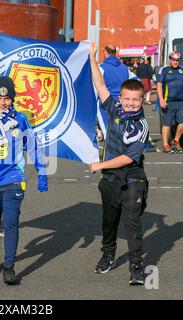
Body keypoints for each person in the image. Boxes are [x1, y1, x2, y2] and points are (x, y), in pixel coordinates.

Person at [0, 76, 48, 285]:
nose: (2, 103)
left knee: (11, 222)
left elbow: (33, 146)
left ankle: (10, 267)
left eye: (6, 99)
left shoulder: (21, 120)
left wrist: (42, 172)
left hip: (14, 179)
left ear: (12, 99)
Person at [89, 42, 149, 285]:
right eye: (127, 98)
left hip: (132, 179)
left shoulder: (141, 125)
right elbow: (100, 84)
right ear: (121, 98)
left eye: (136, 99)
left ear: (143, 100)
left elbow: (128, 157)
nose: (131, 103)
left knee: (133, 225)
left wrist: (99, 165)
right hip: (110, 181)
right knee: (109, 222)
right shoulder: (114, 108)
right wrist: (93, 58)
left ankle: (136, 266)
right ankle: (108, 255)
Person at [97, 44, 130, 141]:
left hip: (106, 103)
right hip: (122, 102)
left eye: (103, 52)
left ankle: (112, 155)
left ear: (106, 53)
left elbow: (97, 87)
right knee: (120, 133)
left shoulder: (101, 67)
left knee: (108, 134)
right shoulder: (124, 68)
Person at [156, 50, 183, 154]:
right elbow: (158, 86)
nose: (176, 62)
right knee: (166, 124)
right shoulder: (164, 70)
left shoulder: (182, 70)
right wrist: (161, 100)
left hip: (181, 102)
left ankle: (176, 140)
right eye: (173, 60)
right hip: (168, 102)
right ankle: (166, 145)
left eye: (177, 60)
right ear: (169, 60)